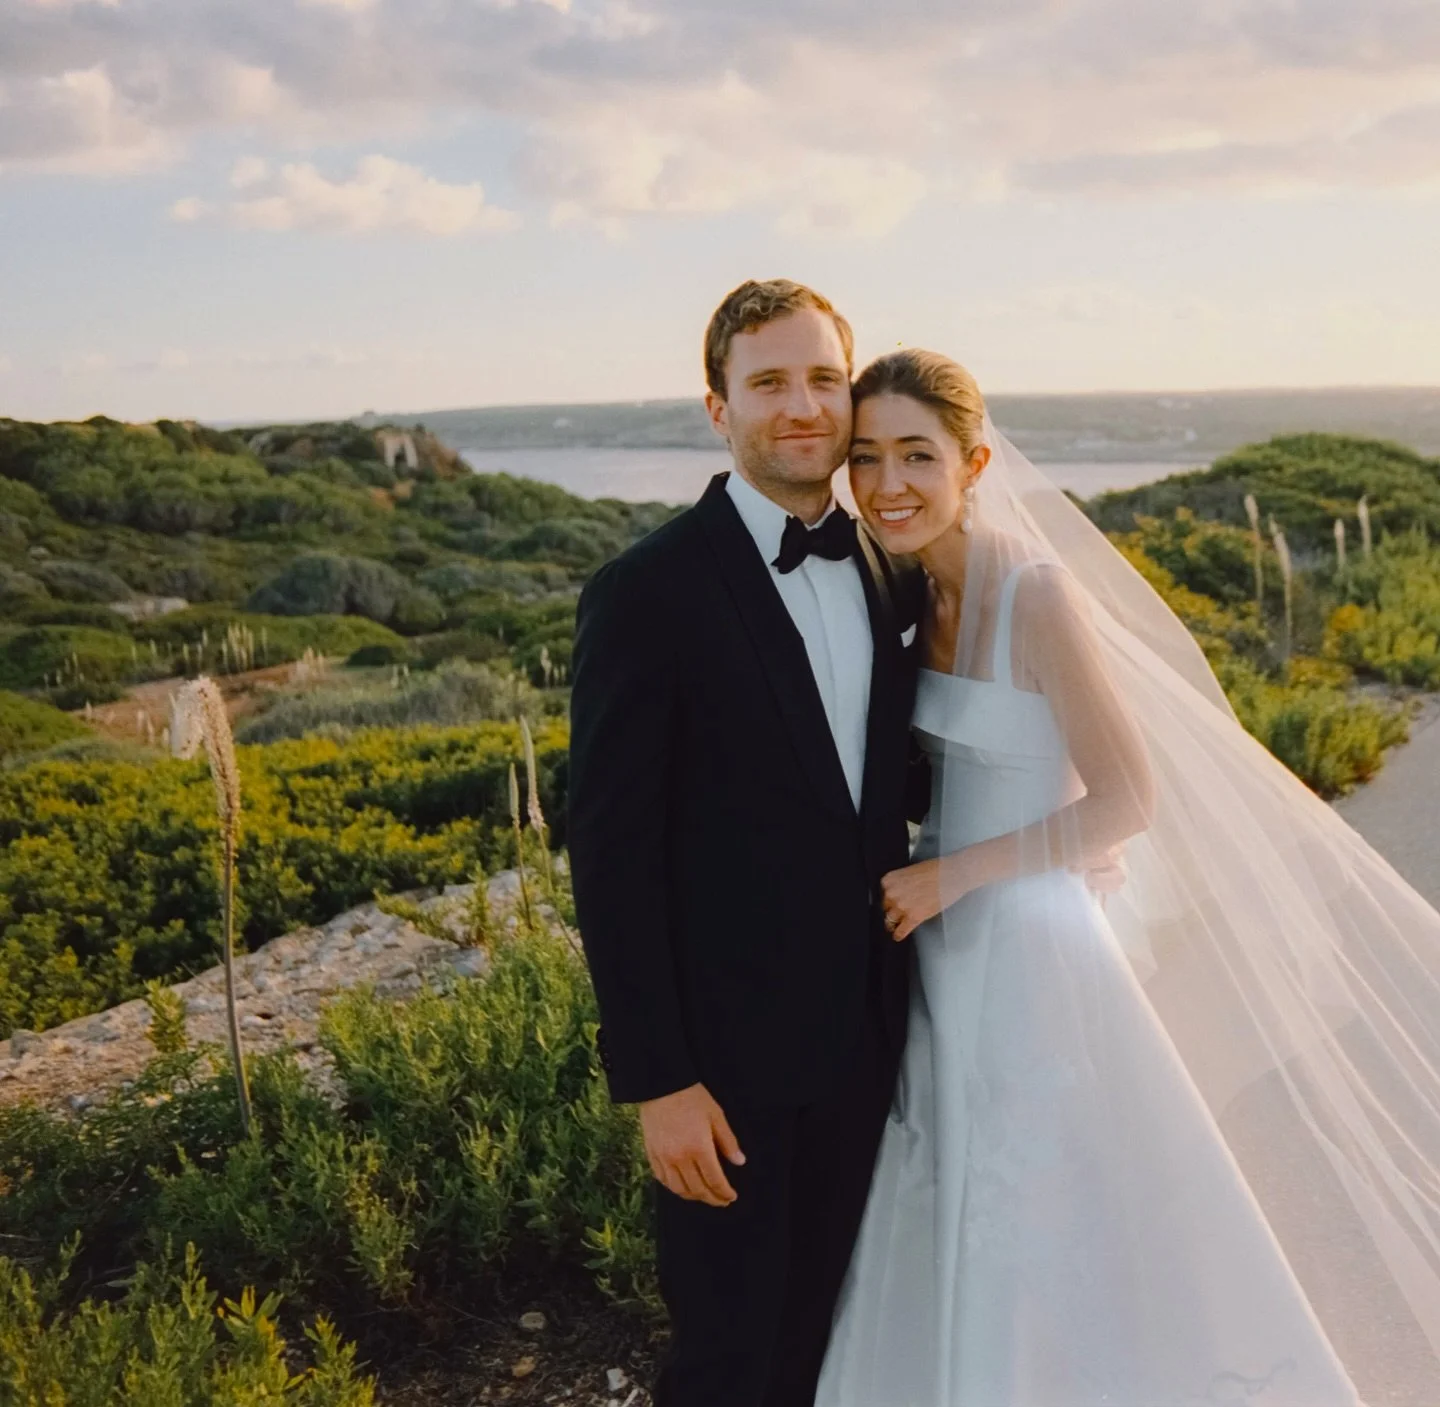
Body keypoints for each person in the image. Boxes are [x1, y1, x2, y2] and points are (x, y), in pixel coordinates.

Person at [817, 349, 1440, 1405]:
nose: (887, 484)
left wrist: (949, 877)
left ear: (974, 461)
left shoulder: (1037, 594)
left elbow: (1126, 800)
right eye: (866, 456)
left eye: (916, 455)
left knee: (1049, 1213)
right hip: (948, 944)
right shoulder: (914, 594)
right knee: (956, 1197)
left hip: (1032, 947)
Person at [567, 279, 923, 1405]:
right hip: (724, 1072)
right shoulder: (645, 592)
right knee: (727, 1358)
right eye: (768, 382)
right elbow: (611, 853)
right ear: (717, 407)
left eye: (824, 379)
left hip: (872, 1041)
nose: (803, 406)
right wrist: (659, 1080)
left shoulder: (888, 571)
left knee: (833, 1337)